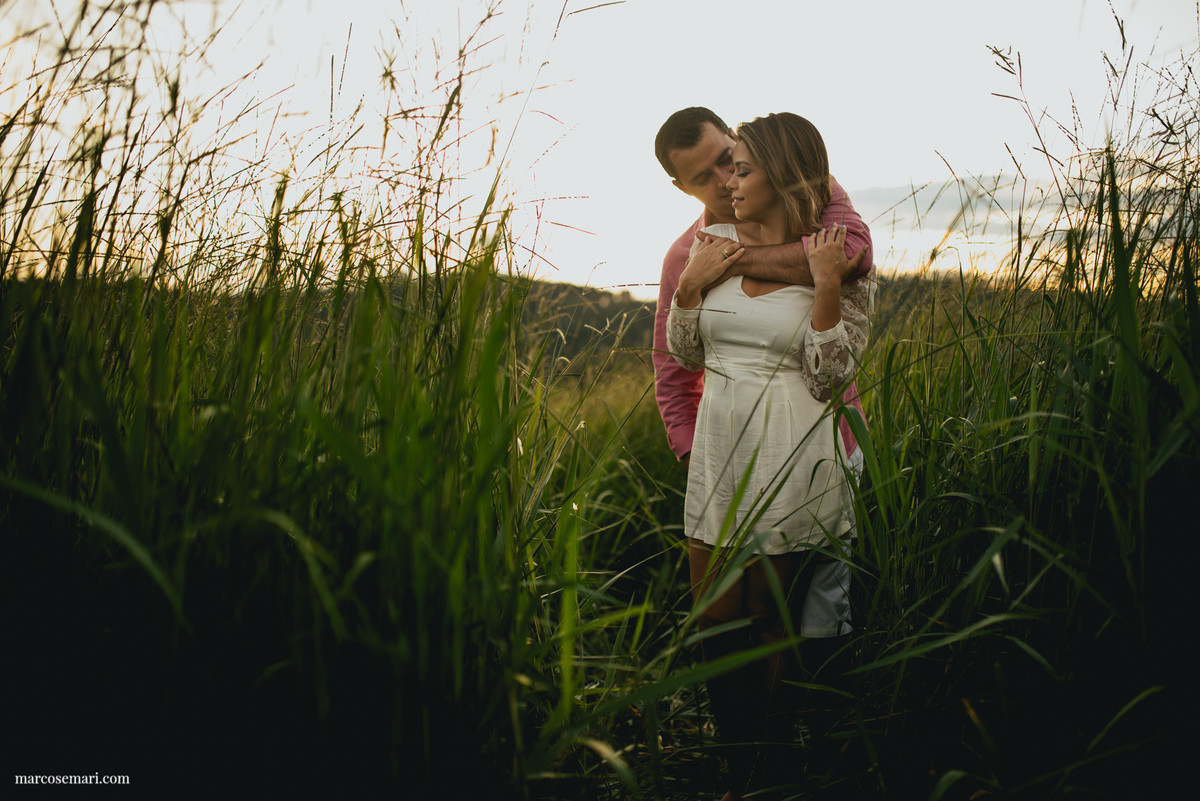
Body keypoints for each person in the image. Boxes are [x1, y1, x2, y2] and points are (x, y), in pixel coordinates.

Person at [660, 111, 874, 799]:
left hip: (795, 446)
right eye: (711, 174)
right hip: (721, 448)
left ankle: (773, 771)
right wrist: (693, 287)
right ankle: (740, 766)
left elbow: (827, 375)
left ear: (775, 172)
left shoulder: (832, 246)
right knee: (715, 615)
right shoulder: (699, 245)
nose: (727, 181)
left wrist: (827, 285)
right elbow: (681, 356)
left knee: (776, 621)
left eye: (738, 164)